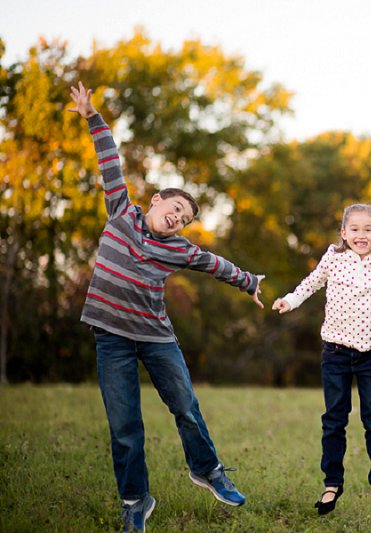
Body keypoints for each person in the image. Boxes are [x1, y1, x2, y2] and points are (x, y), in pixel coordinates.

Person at [69, 82, 263, 533]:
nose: (177, 219)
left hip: (157, 338)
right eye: (175, 208)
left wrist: (249, 281)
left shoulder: (178, 249)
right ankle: (136, 501)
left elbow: (215, 264)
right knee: (124, 426)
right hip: (111, 339)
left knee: (186, 406)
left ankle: (207, 469)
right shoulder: (121, 212)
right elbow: (110, 161)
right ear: (155, 200)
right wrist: (92, 116)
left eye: (186, 218)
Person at [272, 203, 371, 517]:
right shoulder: (334, 259)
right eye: (354, 229)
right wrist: (290, 300)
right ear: (344, 232)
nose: (361, 235)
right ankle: (332, 483)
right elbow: (311, 283)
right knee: (334, 419)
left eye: (368, 230)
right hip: (336, 353)